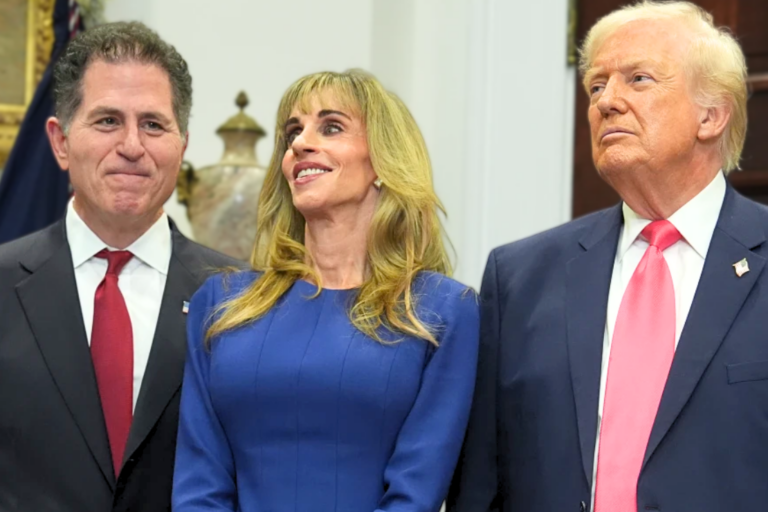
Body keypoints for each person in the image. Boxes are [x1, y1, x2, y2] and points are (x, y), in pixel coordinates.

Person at [448, 2, 766, 512]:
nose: (607, 103)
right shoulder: (519, 279)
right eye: (596, 86)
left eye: (637, 79)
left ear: (711, 115)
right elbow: (482, 483)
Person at [172, 69, 479, 512]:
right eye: (293, 131)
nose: (299, 143)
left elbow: (415, 494)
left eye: (331, 127)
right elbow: (199, 484)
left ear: (382, 162)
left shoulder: (443, 312)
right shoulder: (220, 304)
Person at [0, 22, 239, 512]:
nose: (132, 145)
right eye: (108, 120)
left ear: (182, 145)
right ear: (60, 141)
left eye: (153, 124)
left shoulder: (241, 298)